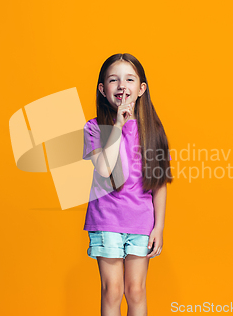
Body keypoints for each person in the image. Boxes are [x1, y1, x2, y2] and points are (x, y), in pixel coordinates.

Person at [82, 53, 173, 316]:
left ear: (141, 88)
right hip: (106, 219)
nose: (122, 86)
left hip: (140, 222)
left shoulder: (152, 130)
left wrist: (159, 226)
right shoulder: (94, 128)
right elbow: (104, 168)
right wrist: (119, 126)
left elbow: (159, 183)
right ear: (103, 89)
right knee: (112, 290)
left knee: (136, 291)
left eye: (130, 79)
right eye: (114, 80)